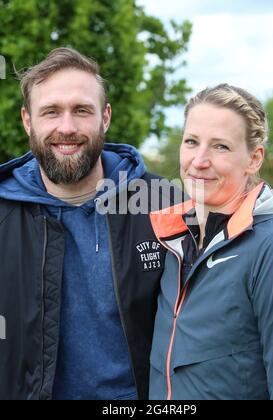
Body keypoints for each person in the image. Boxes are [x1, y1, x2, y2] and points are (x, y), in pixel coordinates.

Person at [0, 47, 179, 400]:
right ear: (27, 120)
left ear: (105, 117)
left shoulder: (166, 204)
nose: (67, 128)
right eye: (51, 112)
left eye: (82, 110)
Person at [149, 84, 273, 400]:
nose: (199, 160)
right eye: (192, 142)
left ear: (254, 159)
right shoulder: (172, 241)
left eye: (220, 147)